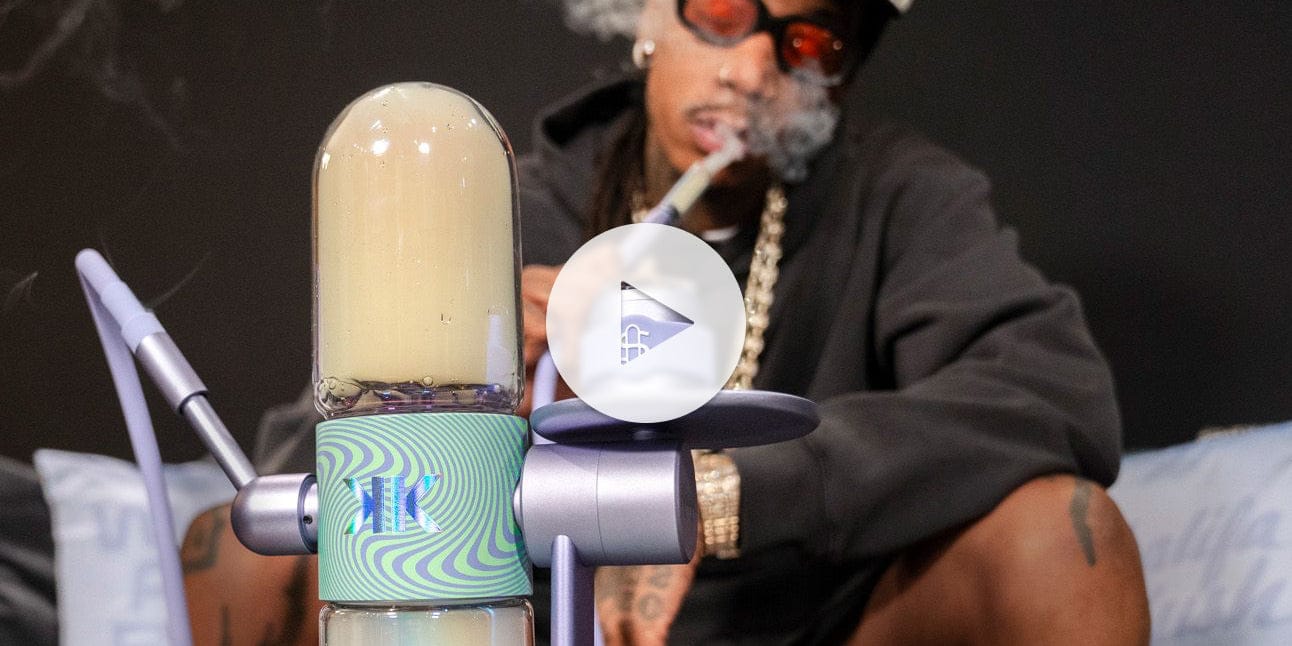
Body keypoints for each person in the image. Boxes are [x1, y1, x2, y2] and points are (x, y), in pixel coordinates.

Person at [184, 0, 1151, 643]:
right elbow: (295, 483)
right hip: (532, 624)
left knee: (1061, 537)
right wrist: (456, 387)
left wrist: (726, 493)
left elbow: (1052, 394)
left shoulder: (898, 196)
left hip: (812, 622)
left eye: (807, 44)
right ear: (649, 17)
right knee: (230, 553)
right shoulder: (507, 209)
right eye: (722, 13)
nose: (753, 69)